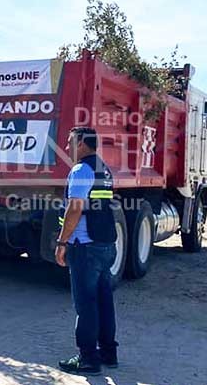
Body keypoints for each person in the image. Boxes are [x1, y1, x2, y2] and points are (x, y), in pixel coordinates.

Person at [55, 126, 119, 376]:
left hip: (85, 247)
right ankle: (108, 353)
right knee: (104, 301)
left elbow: (74, 209)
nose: (67, 145)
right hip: (104, 245)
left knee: (86, 304)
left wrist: (62, 243)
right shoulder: (102, 168)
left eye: (70, 141)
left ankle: (88, 359)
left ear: (82, 143)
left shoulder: (81, 170)